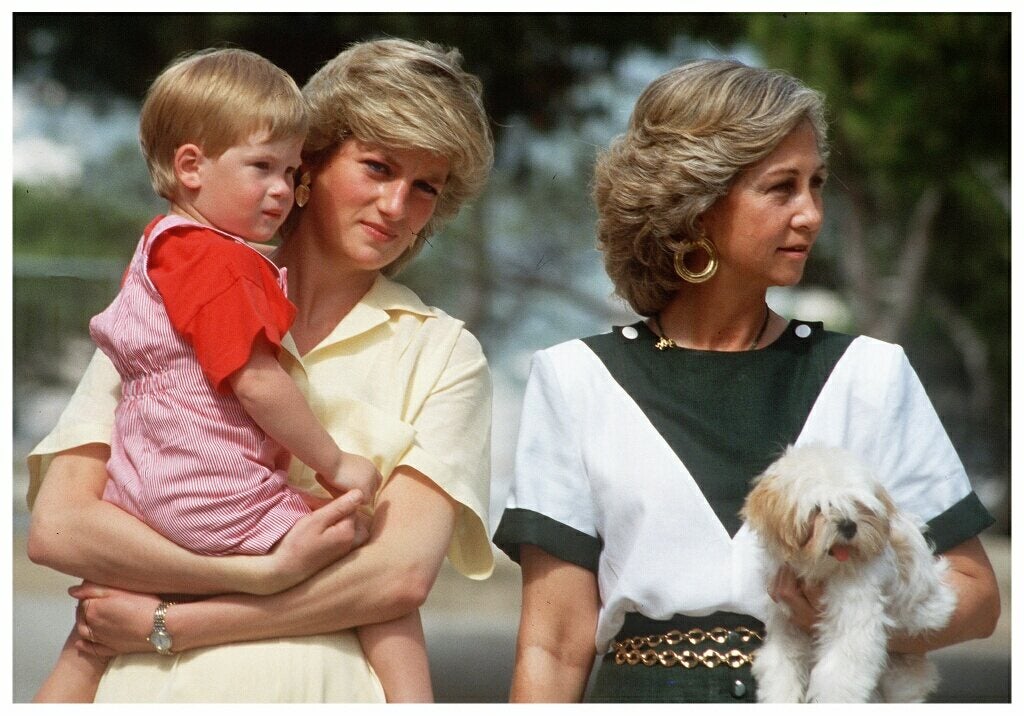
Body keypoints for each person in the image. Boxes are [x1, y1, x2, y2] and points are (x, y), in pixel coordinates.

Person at [492, 58, 1000, 703]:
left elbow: (977, 596)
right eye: (781, 187)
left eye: (816, 184)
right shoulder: (576, 380)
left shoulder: (869, 374)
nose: (812, 213)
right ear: (695, 202)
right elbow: (553, 641)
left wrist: (848, 621)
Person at [26, 37, 495, 703]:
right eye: (377, 168)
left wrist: (169, 622)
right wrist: (263, 576)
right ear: (309, 164)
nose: (397, 207)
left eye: (425, 187)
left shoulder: (443, 353)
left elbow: (394, 579)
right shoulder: (170, 301)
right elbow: (61, 527)